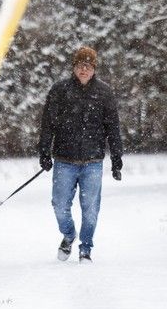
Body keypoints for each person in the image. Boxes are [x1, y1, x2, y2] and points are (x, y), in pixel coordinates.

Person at [38, 46, 123, 263]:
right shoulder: (59, 91)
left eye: (88, 66)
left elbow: (113, 127)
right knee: (59, 204)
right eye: (79, 65)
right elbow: (47, 124)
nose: (84, 70)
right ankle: (68, 235)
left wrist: (116, 159)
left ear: (94, 69)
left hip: (93, 162)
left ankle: (86, 248)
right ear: (74, 67)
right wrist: (44, 152)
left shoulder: (104, 93)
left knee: (91, 209)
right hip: (64, 160)